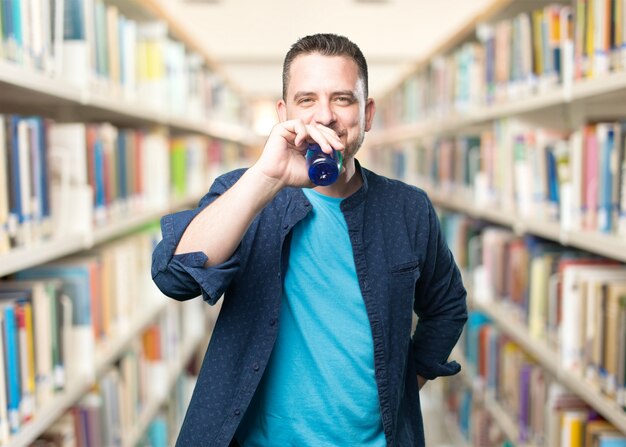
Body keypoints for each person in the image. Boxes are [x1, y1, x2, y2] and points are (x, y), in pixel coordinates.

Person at [151, 33, 467, 447]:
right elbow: (175, 277)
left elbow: (446, 308)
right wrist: (267, 177)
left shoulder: (407, 209)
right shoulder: (243, 193)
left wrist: (402, 385)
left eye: (342, 99)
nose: (325, 116)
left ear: (367, 114)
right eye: (306, 100)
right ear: (283, 112)